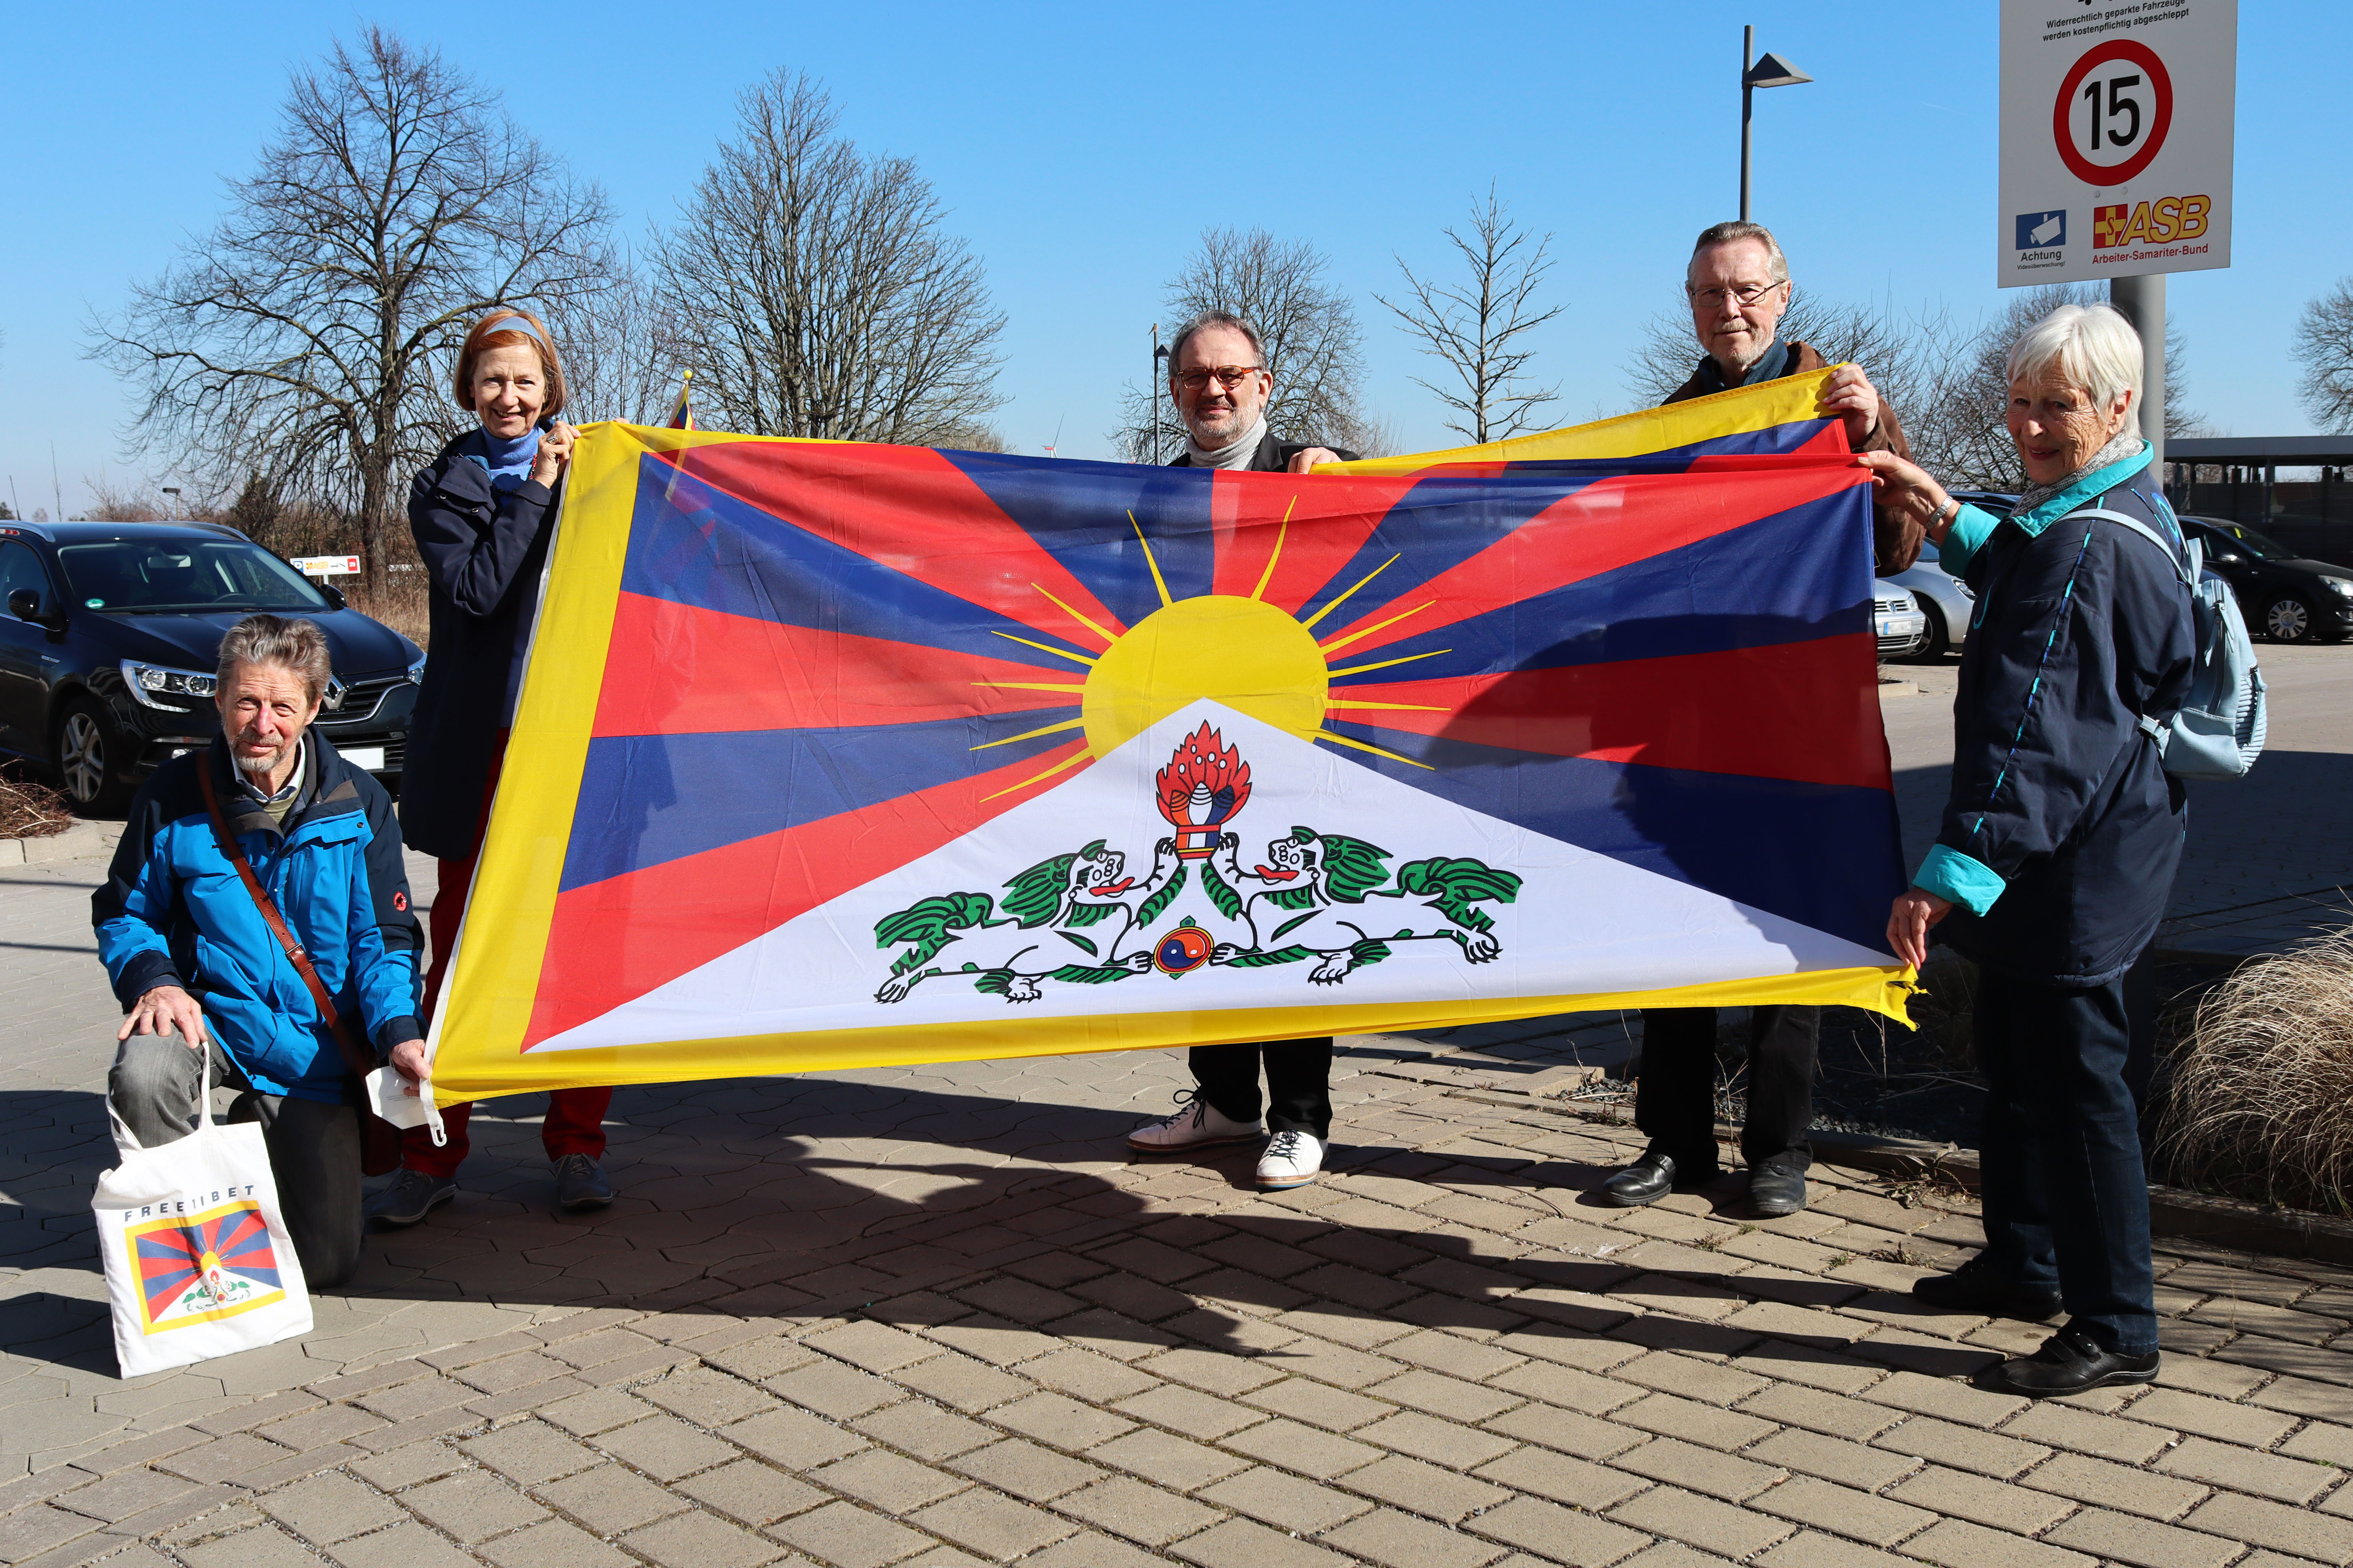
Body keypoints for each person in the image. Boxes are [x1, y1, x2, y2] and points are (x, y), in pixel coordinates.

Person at [1864, 302, 2194, 1398]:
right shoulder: (2099, 511)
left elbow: (2032, 742)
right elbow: (2031, 550)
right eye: (2019, 401)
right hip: (2071, 862)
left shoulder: (2088, 554)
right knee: (2015, 1068)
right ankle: (2024, 1259)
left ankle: (2116, 1320)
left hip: (2078, 874)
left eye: (2057, 407)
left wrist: (1944, 875)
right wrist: (1950, 515)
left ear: (2116, 408)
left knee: (2077, 1092)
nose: (2030, 427)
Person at [1605, 220, 1919, 1219]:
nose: (1726, 310)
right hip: (1685, 730)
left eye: (1744, 291)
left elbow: (1900, 543)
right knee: (1676, 937)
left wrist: (1870, 437)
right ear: (1688, 306)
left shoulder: (1836, 406)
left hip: (1793, 727)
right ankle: (1674, 1144)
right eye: (1707, 294)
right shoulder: (1671, 419)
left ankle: (1779, 1150)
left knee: (1789, 938)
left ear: (1782, 295)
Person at [366, 307, 616, 1228]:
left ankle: (579, 1147)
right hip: (482, 755)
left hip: (577, 753)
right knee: (464, 953)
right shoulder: (446, 486)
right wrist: (538, 489)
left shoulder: (599, 473)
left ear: (551, 389)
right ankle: (435, 1157)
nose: (509, 397)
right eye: (491, 381)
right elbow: (477, 589)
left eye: (525, 382)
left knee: (580, 951)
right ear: (467, 391)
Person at [96, 614, 426, 1288]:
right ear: (219, 700)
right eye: (246, 701)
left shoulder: (359, 802)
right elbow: (125, 913)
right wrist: (155, 982)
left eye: (281, 705)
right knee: (145, 1071)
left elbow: (384, 941)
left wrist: (398, 1033)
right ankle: (188, 1237)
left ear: (311, 707)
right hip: (210, 1017)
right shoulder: (172, 795)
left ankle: (261, 1131)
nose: (262, 723)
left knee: (327, 1263)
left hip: (312, 1046)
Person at [1125, 310, 1358, 1190]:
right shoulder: (1151, 498)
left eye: (1230, 376)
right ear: (1175, 389)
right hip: (1191, 751)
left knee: (1282, 923)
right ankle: (1224, 1101)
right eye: (1194, 378)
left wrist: (1340, 463)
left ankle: (1300, 1120)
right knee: (1199, 915)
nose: (1212, 391)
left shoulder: (1310, 474)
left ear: (1263, 386)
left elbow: (1385, 521)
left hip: (1297, 742)